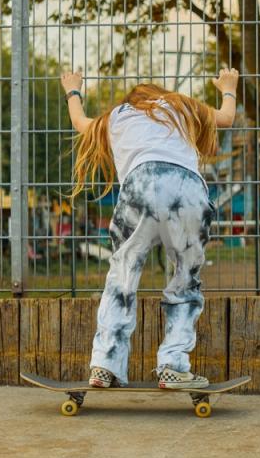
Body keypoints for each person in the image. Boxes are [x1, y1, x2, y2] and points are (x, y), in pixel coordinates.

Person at [60, 68, 239, 388]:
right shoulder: (181, 106)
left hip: (139, 188)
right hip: (186, 190)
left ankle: (104, 364)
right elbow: (226, 118)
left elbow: (80, 123)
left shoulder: (117, 115)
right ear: (161, 96)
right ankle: (173, 364)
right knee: (185, 278)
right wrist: (228, 87)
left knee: (122, 276)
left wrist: (73, 90)